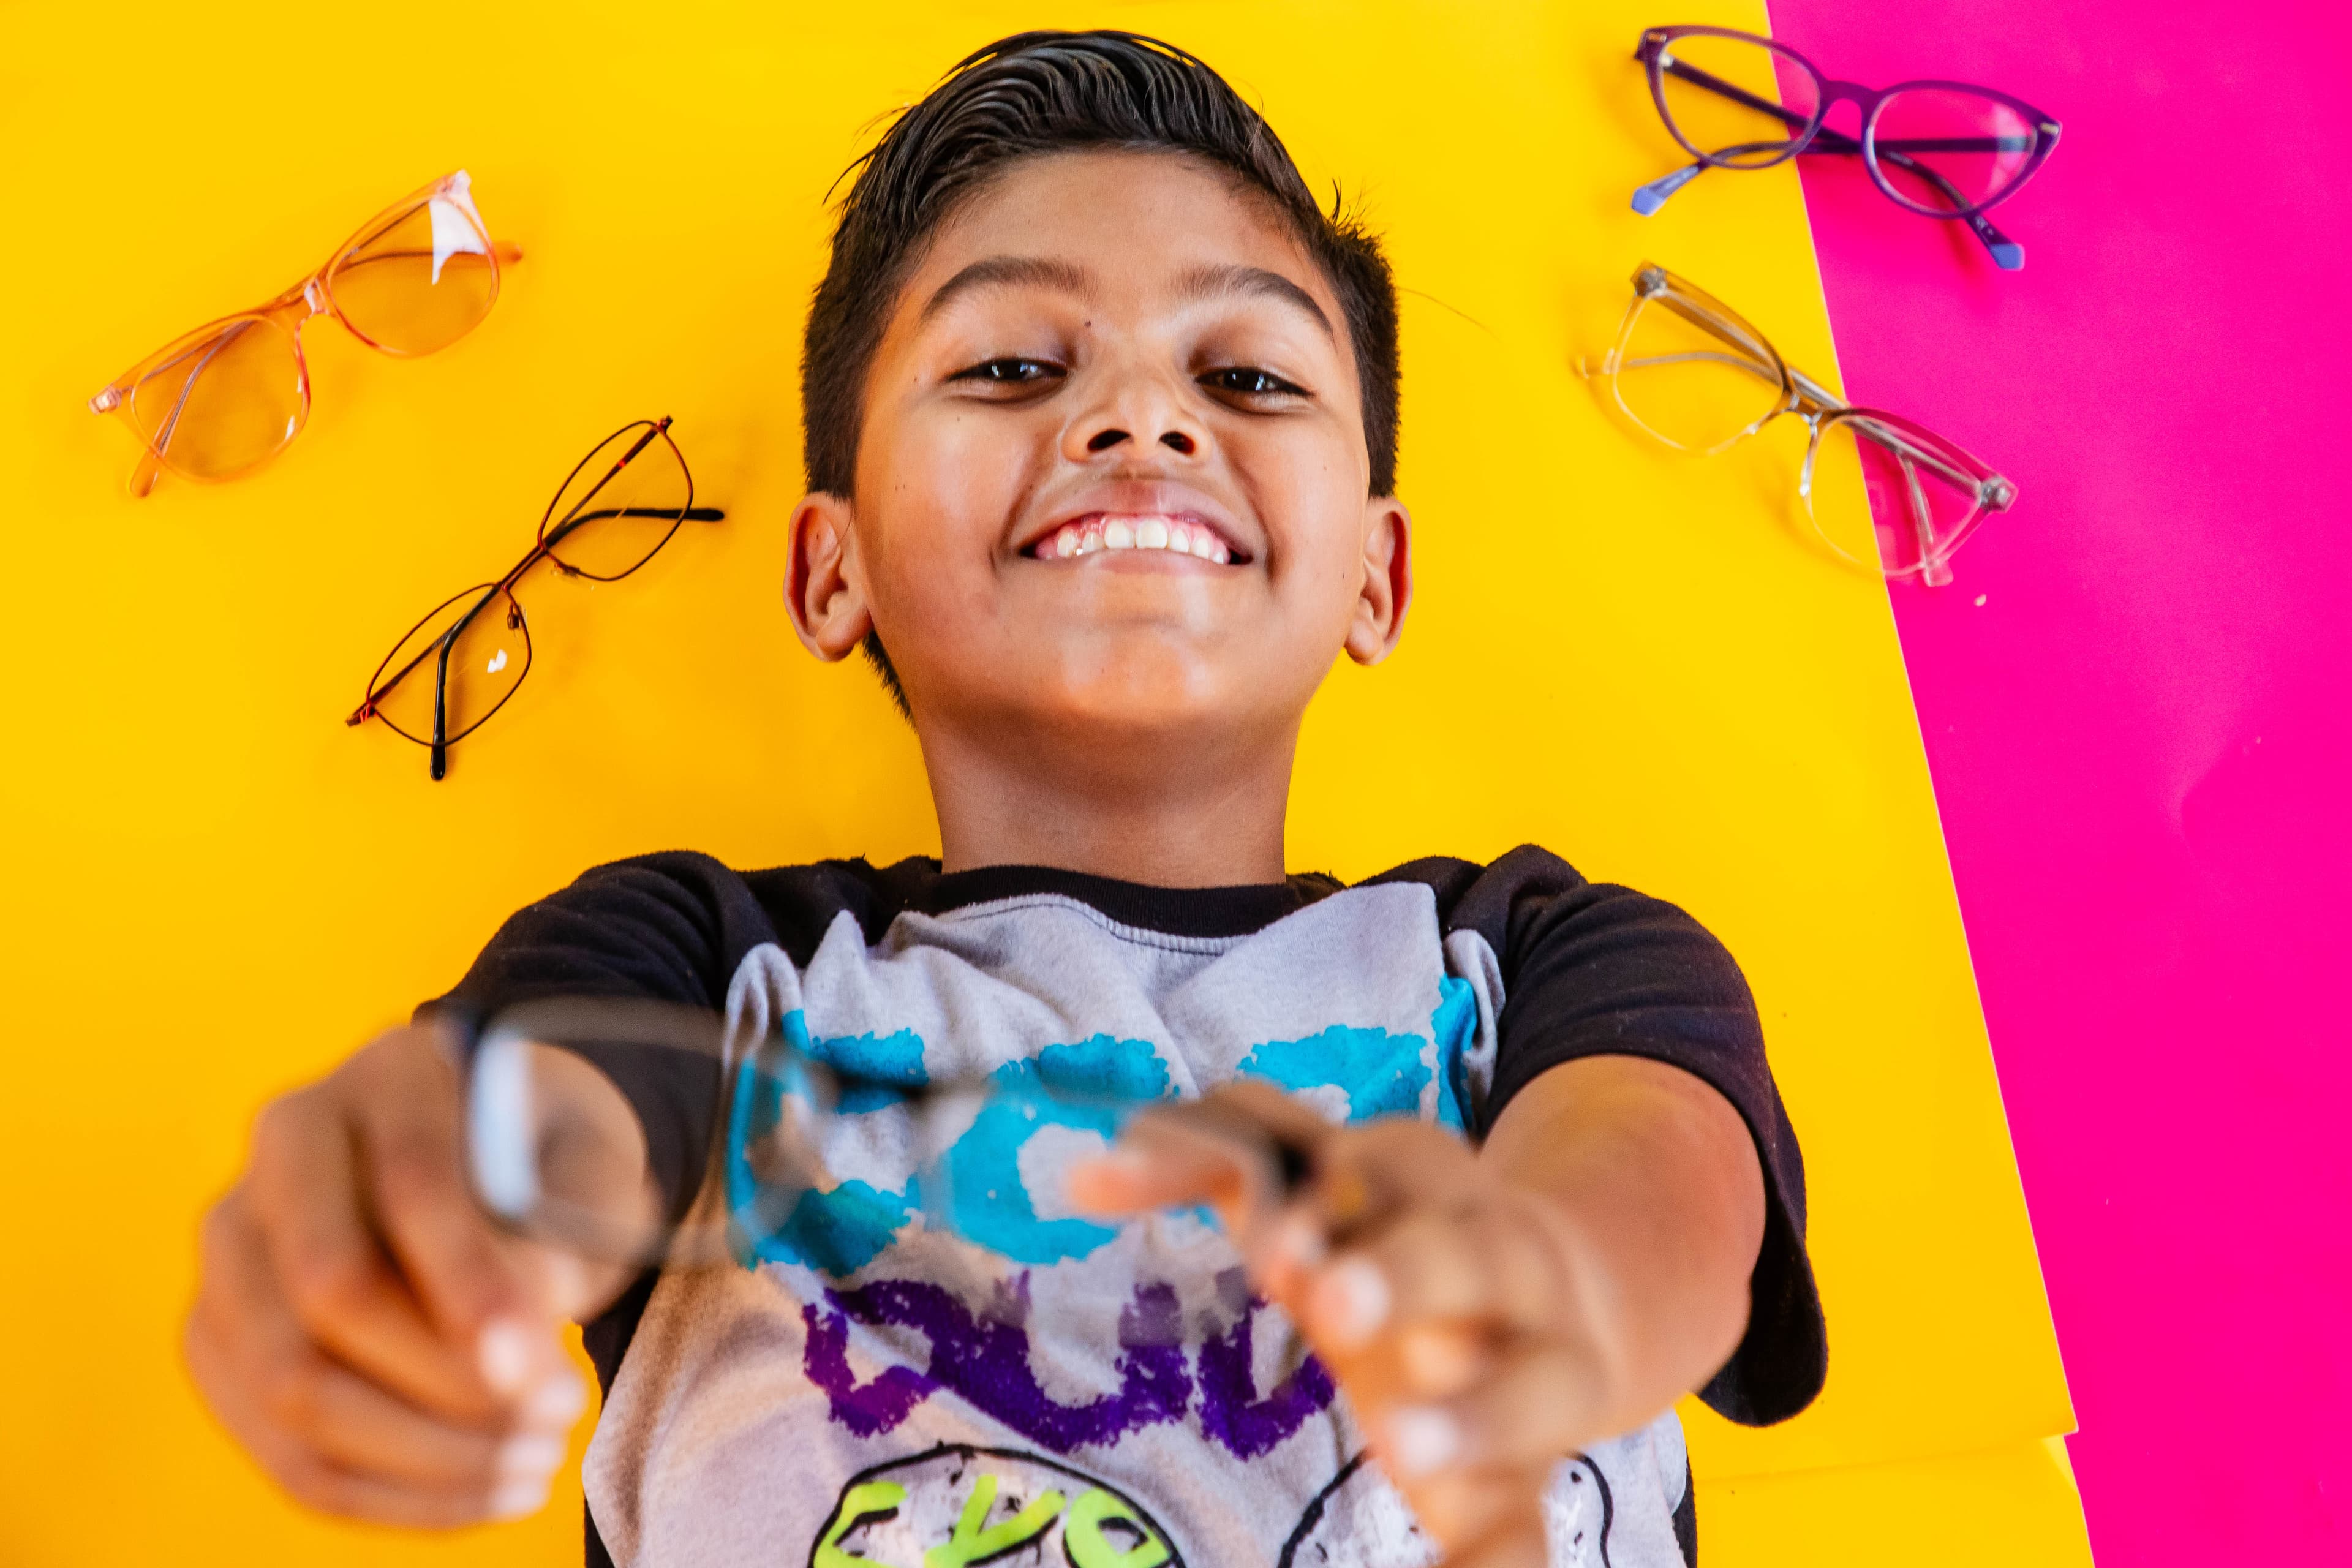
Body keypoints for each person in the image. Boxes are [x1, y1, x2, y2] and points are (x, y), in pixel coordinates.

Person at [184, 30, 1825, 1568]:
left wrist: (1553, 1282)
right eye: (1016, 364)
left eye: (1248, 377)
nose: (1136, 416)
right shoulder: (707, 964)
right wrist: (404, 1218)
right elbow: (536, 1121)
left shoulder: (1531, 955)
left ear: (1376, 577)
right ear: (835, 571)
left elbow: (1672, 1173)